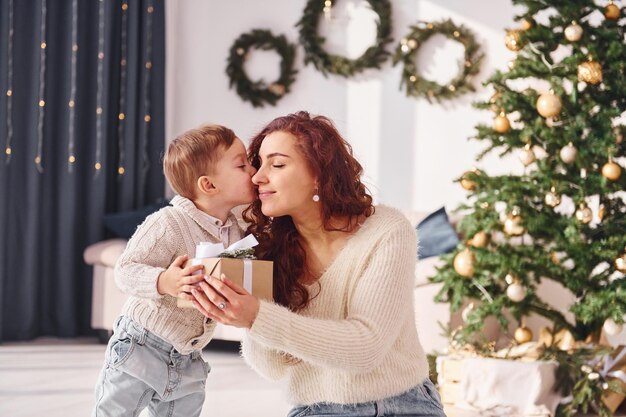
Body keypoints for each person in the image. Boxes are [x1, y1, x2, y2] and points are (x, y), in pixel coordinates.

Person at [190, 111, 447, 417]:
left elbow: (366, 347)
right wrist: (245, 315)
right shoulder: (268, 246)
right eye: (258, 163)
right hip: (319, 409)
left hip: (405, 405)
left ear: (318, 174)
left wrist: (258, 316)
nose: (258, 176)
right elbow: (272, 367)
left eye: (278, 164)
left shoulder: (387, 230)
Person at [92, 124, 257, 417]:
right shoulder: (167, 222)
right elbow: (125, 270)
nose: (253, 170)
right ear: (208, 185)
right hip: (141, 345)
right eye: (243, 164)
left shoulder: (238, 227)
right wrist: (164, 281)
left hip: (188, 355)